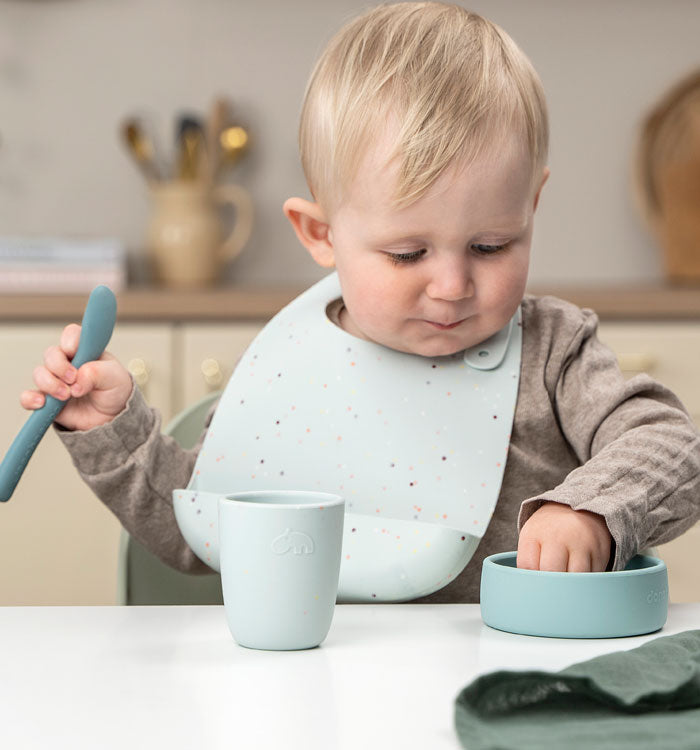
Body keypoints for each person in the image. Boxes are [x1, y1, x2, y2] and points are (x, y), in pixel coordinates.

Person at [20, 2, 700, 603]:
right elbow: (201, 530)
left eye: (492, 245)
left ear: (533, 205)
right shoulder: (293, 364)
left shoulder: (555, 354)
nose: (453, 285)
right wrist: (109, 426)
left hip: (514, 683)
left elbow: (672, 444)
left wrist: (587, 512)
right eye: (408, 254)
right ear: (321, 234)